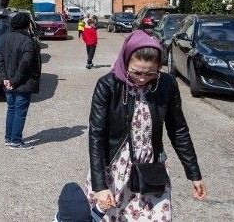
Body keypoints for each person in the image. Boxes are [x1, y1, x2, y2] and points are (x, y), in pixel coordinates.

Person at [87, 30, 207, 219]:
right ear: (125, 61)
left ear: (159, 67)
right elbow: (96, 135)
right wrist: (100, 185)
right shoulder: (108, 85)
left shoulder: (167, 84)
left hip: (151, 167)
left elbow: (179, 131)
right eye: (136, 72)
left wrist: (194, 173)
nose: (142, 78)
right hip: (115, 169)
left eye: (150, 73)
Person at [0, 11, 41, 150]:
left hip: (9, 82)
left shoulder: (5, 38)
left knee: (11, 110)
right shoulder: (27, 40)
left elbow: (0, 61)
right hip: (22, 83)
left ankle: (9, 138)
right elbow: (25, 64)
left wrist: (5, 79)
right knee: (19, 112)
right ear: (26, 24)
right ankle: (15, 140)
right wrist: (13, 81)